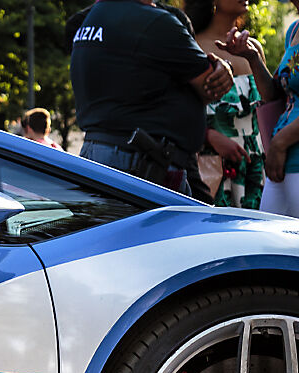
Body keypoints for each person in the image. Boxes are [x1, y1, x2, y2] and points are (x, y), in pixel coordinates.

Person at [70, 0, 234, 197]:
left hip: (103, 154)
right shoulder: (156, 22)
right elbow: (210, 85)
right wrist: (225, 68)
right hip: (140, 163)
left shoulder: (93, 18)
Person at [186, 0, 275, 208]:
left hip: (255, 167)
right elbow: (176, 108)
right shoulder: (193, 45)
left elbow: (271, 106)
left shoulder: (254, 48)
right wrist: (208, 137)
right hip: (209, 167)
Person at [261, 0, 299, 216]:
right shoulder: (293, 30)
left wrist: (280, 142)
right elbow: (275, 94)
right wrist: (253, 58)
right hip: (282, 161)